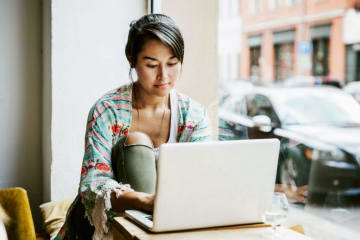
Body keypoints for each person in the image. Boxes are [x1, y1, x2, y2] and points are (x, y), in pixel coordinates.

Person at [54, 14, 211, 240]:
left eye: (172, 64)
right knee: (137, 141)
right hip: (98, 229)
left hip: (166, 228)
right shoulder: (107, 110)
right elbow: (92, 187)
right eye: (151, 64)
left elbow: (202, 178)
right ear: (131, 59)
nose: (163, 76)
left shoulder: (194, 115)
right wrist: (147, 201)